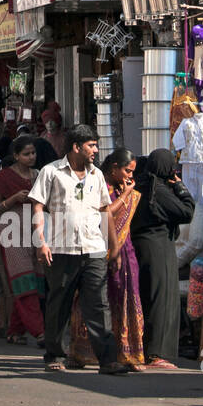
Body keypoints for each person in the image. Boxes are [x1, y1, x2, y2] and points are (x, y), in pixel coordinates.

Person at [31, 124, 133, 375]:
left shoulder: (97, 175)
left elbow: (105, 211)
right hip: (61, 249)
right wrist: (40, 242)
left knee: (98, 305)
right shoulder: (50, 172)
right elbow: (37, 208)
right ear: (76, 147)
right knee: (59, 304)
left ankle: (107, 360)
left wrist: (114, 248)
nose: (96, 150)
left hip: (94, 249)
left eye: (96, 145)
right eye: (91, 145)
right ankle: (54, 354)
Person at [67, 148, 145, 370]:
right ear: (114, 169)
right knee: (93, 300)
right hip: (96, 248)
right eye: (127, 171)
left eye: (132, 172)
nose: (130, 176)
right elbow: (105, 213)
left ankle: (127, 353)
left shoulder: (122, 187)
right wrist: (126, 195)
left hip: (124, 249)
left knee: (124, 295)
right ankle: (83, 352)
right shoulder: (99, 185)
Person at [132, 148, 195, 369]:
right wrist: (180, 186)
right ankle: (156, 353)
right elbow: (187, 211)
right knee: (162, 299)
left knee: (148, 297)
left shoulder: (140, 185)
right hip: (157, 247)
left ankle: (145, 349)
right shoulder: (158, 190)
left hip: (142, 246)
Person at [0, 135, 46, 343]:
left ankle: (14, 331)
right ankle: (40, 332)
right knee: (24, 282)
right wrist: (13, 199)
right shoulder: (4, 177)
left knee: (36, 282)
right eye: (26, 154)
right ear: (15, 156)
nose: (31, 157)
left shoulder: (39, 175)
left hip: (35, 231)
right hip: (11, 232)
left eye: (33, 153)